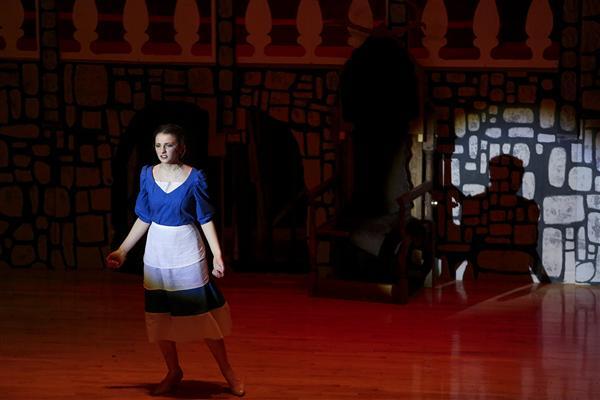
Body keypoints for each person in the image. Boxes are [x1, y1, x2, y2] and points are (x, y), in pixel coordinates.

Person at [106, 124, 244, 396]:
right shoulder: (147, 175)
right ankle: (173, 370)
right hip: (157, 252)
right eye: (158, 145)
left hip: (186, 251)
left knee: (202, 317)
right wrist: (122, 250)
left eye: (168, 145)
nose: (162, 150)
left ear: (181, 148)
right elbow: (144, 217)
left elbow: (205, 218)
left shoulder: (195, 178)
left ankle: (228, 372)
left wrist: (217, 254)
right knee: (160, 318)